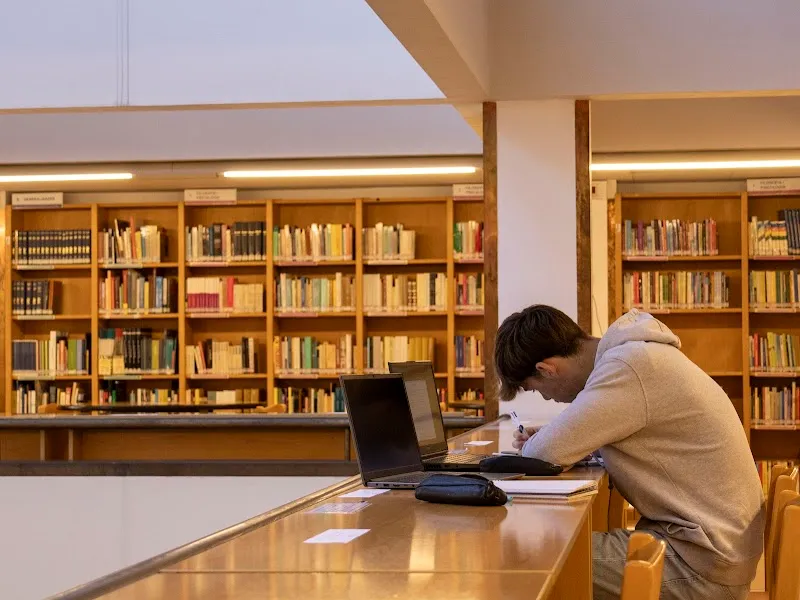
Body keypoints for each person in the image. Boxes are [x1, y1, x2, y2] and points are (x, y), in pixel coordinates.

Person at [494, 305, 764, 600]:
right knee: (545, 548)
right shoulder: (635, 355)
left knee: (527, 555)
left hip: (701, 564)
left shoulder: (627, 367)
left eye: (536, 389)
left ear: (547, 369)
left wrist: (545, 440)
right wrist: (566, 438)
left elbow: (542, 454)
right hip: (712, 548)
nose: (547, 398)